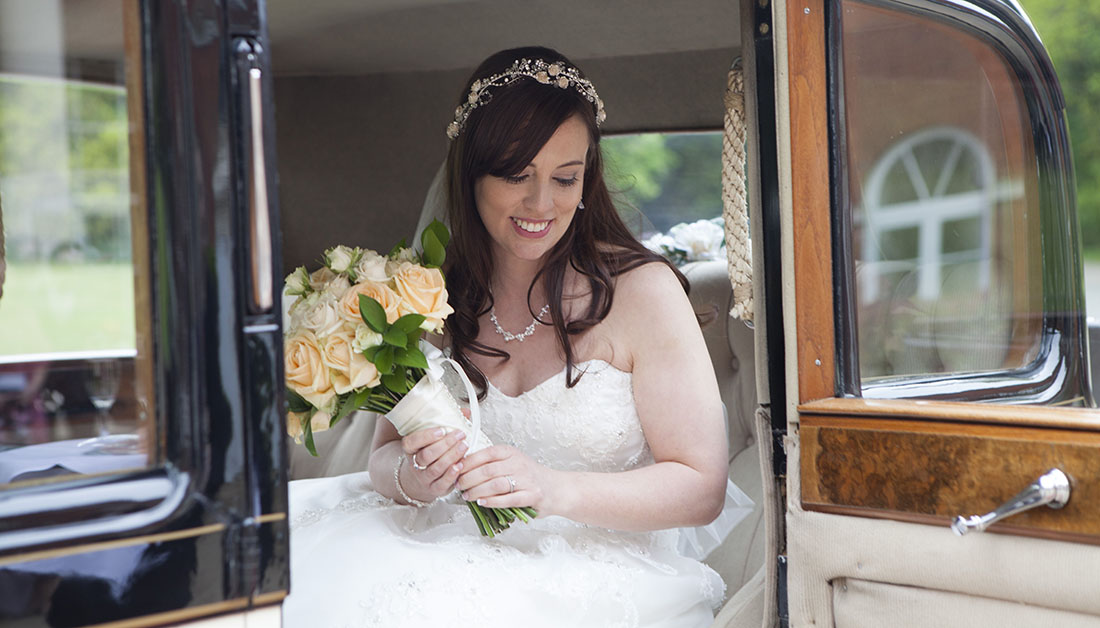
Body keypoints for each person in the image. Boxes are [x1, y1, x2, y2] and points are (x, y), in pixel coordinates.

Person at [284, 46, 750, 627]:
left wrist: (550, 489)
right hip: (442, 548)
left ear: (588, 179)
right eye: (515, 175)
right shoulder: (426, 296)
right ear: (472, 174)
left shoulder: (644, 293)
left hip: (595, 577)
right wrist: (415, 478)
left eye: (565, 178)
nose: (540, 203)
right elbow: (383, 457)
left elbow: (700, 486)